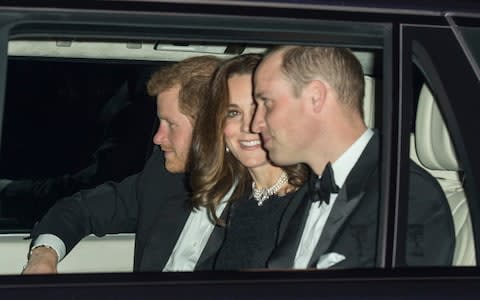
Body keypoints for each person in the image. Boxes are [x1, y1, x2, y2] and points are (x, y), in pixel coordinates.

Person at [251, 46, 455, 269]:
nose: (256, 123)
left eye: (267, 102)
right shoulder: (305, 196)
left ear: (316, 97)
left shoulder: (407, 195)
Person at [22, 55, 224, 274]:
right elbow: (81, 209)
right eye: (160, 122)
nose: (157, 138)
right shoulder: (163, 177)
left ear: (209, 128)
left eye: (171, 124)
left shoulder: (253, 206)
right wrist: (44, 255)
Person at [189, 54, 308, 270]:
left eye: (260, 108)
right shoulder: (236, 200)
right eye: (233, 113)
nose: (249, 126)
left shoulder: (310, 202)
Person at [0, 66, 156, 226]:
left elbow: (91, 186)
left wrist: (11, 189)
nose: (67, 92)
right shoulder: (111, 112)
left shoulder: (136, 118)